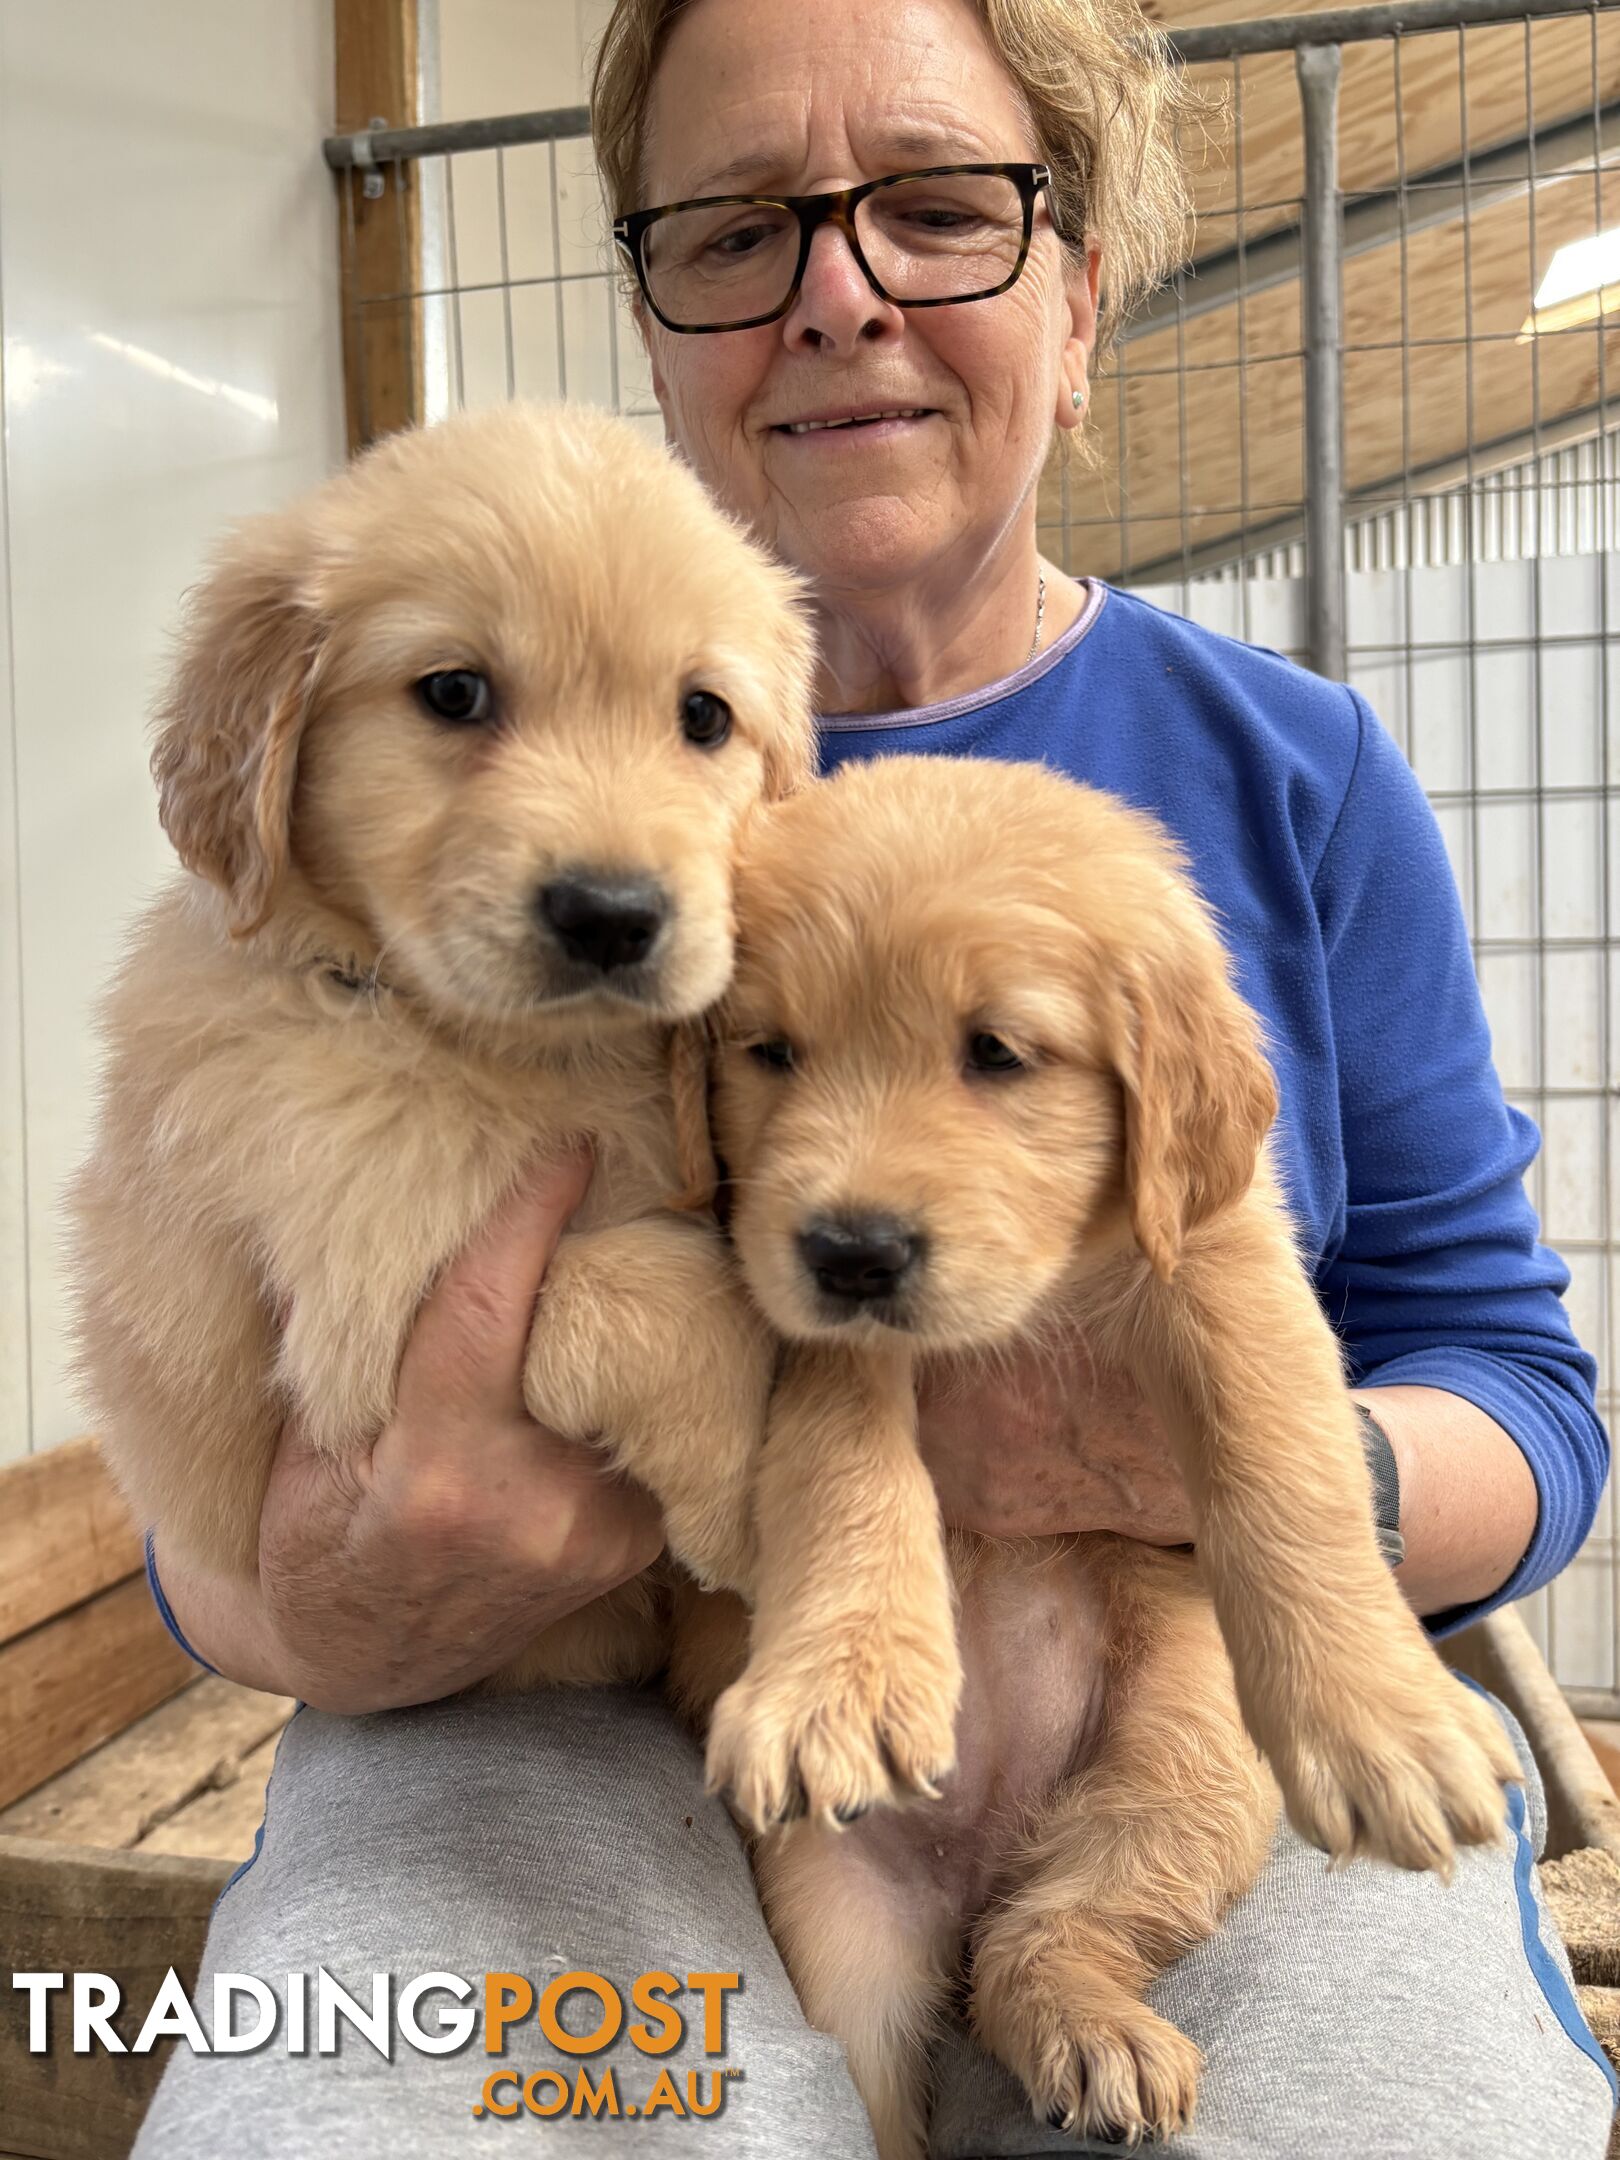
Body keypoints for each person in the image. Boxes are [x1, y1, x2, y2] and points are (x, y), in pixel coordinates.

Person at [132, 0, 1616, 2152]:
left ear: (1085, 294)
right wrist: (318, 1608)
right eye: (735, 230)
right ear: (653, 317)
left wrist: (1219, 1481)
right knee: (415, 2114)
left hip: (1171, 1653)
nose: (839, 294)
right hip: (542, 1708)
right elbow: (228, 1355)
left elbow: (1516, 1388)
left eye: (940, 208)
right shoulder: (477, 847)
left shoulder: (1298, 776)